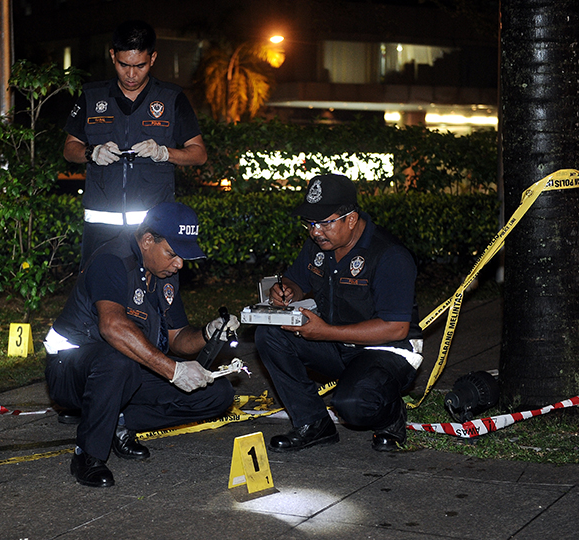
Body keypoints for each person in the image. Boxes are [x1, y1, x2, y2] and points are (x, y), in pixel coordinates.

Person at [44, 202, 238, 487]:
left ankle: (119, 421)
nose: (179, 264)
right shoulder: (111, 259)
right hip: (72, 370)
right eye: (173, 254)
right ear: (148, 240)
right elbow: (112, 327)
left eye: (183, 256)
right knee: (117, 360)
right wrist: (173, 370)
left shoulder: (164, 274)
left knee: (217, 394)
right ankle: (88, 455)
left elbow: (177, 338)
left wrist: (209, 333)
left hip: (125, 372)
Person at [255, 174, 423, 453]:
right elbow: (296, 281)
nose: (315, 231)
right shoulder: (318, 247)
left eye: (324, 222)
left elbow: (396, 328)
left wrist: (325, 332)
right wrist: (287, 291)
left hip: (386, 350)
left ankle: (391, 415)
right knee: (270, 334)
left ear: (352, 219)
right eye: (310, 223)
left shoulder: (389, 255)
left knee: (353, 406)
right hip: (336, 344)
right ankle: (313, 424)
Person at [63, 19, 207, 266]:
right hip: (101, 226)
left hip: (153, 228)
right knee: (99, 296)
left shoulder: (171, 98)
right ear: (112, 56)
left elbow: (199, 154)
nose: (131, 74)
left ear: (152, 58)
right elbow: (69, 149)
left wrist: (164, 153)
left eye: (139, 66)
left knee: (150, 299)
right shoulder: (92, 95)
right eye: (123, 65)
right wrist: (91, 152)